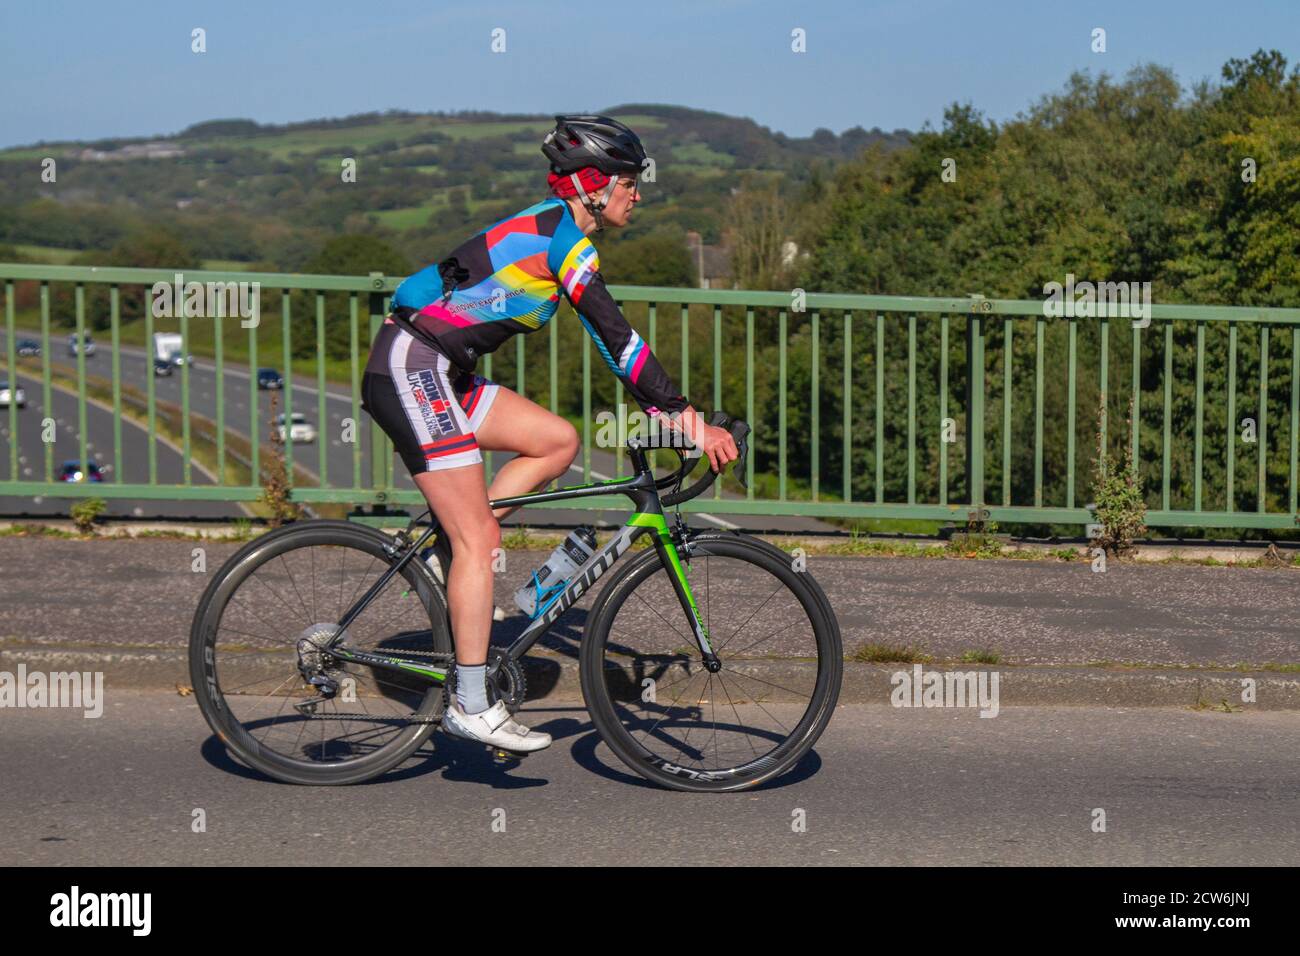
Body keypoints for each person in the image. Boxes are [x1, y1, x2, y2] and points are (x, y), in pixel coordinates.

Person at [360, 115, 739, 752]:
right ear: (592, 185)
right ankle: (471, 701)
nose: (637, 194)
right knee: (479, 537)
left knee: (557, 441)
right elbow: (618, 338)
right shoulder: (562, 242)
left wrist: (665, 410)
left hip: (445, 370)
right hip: (413, 365)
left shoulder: (556, 229)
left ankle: (451, 555)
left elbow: (609, 345)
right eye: (628, 182)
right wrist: (684, 416)